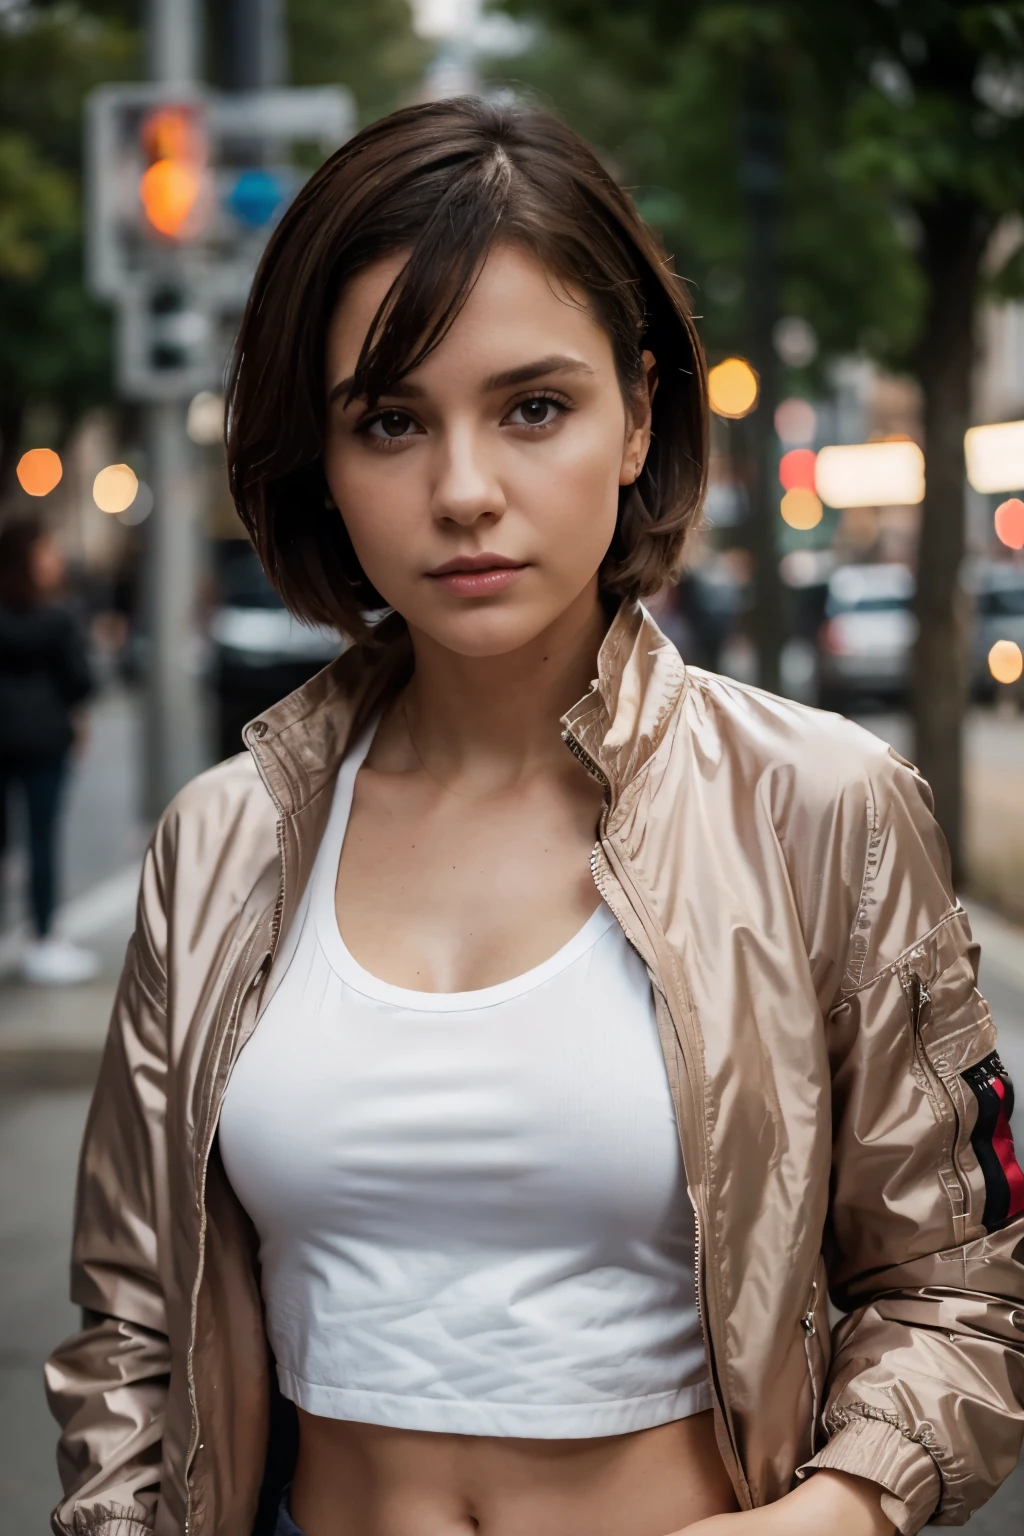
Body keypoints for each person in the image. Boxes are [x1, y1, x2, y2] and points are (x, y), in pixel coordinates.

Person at [46, 99, 1024, 1536]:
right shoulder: (223, 843)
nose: (462, 491)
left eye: (533, 407)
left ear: (638, 413)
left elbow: (961, 1288)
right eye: (390, 420)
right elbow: (133, 1332)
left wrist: (835, 1513)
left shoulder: (818, 809)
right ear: (321, 455)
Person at [0, 516, 97, 985]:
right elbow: (80, 682)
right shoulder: (58, 618)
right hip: (44, 740)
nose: (55, 560)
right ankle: (42, 939)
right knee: (42, 841)